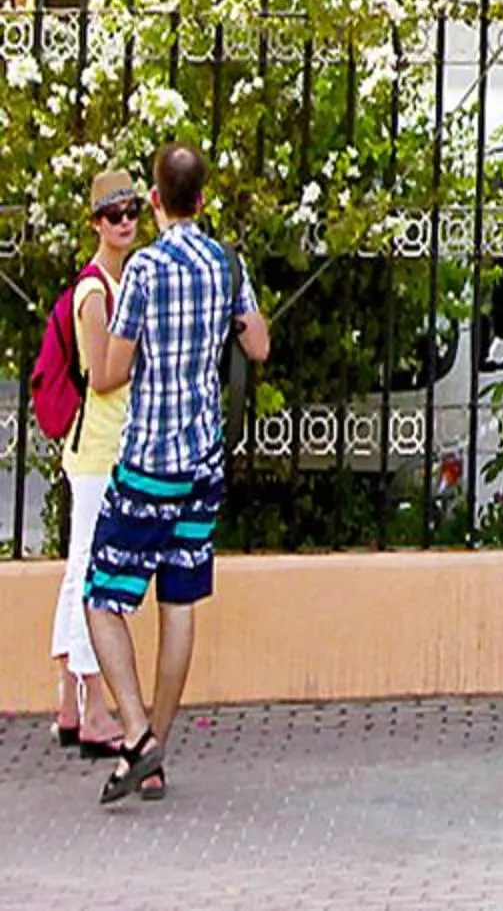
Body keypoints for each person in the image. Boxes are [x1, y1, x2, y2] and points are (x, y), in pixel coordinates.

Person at [79, 142, 267, 807]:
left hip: (151, 458)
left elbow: (112, 369)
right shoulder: (225, 263)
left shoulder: (146, 271)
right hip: (203, 457)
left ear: (154, 200)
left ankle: (135, 735)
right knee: (179, 601)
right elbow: (259, 344)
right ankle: (154, 752)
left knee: (102, 597)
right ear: (203, 198)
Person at [47, 169, 139, 759]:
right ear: (95, 224)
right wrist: (146, 346)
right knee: (91, 576)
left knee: (80, 568)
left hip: (106, 449)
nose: (125, 221)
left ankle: (68, 704)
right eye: (112, 214)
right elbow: (103, 373)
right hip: (96, 452)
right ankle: (96, 709)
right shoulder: (95, 292)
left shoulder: (123, 279)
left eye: (130, 210)